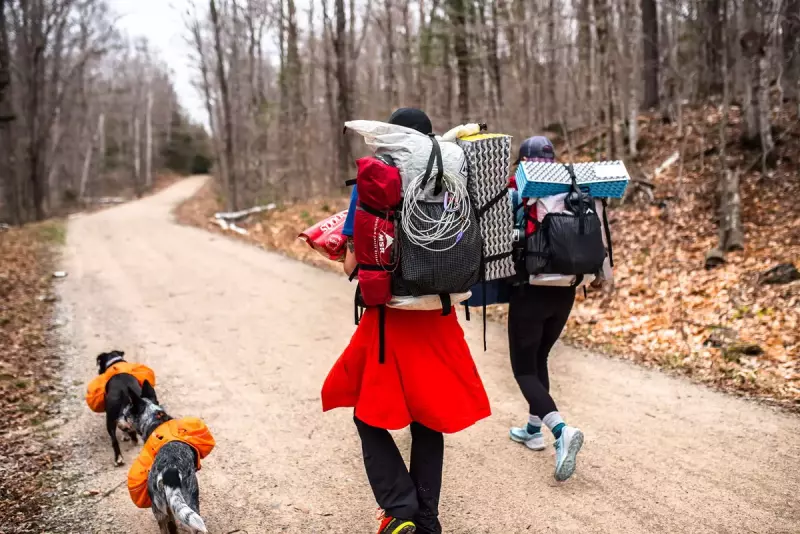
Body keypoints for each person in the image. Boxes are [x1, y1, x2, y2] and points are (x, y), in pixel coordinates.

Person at [321, 108, 491, 534]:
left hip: (390, 320)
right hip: (440, 313)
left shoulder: (380, 174)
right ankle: (427, 520)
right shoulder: (455, 172)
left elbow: (352, 265)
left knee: (367, 415)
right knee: (428, 419)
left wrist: (339, 249)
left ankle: (399, 509)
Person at [506, 136, 607, 482]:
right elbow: (601, 237)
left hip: (531, 289)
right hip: (567, 289)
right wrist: (601, 276)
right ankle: (533, 430)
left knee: (523, 370)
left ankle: (561, 430)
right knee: (540, 358)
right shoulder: (578, 189)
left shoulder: (522, 191)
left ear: (524, 162)